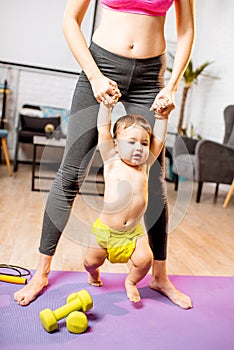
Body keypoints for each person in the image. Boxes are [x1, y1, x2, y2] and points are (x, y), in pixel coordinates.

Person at [14, 0, 195, 308]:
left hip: (151, 76)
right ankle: (41, 273)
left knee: (153, 178)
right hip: (100, 65)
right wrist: (95, 76)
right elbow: (70, 20)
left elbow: (187, 28)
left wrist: (173, 86)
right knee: (70, 174)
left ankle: (159, 276)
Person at [84, 102, 169, 302]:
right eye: (131, 142)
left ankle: (130, 282)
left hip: (133, 233)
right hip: (106, 232)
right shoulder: (111, 161)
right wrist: (106, 107)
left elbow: (159, 139)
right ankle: (93, 273)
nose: (139, 148)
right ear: (115, 144)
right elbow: (102, 129)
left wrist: (162, 117)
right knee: (90, 261)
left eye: (144, 143)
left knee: (145, 260)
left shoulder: (145, 166)